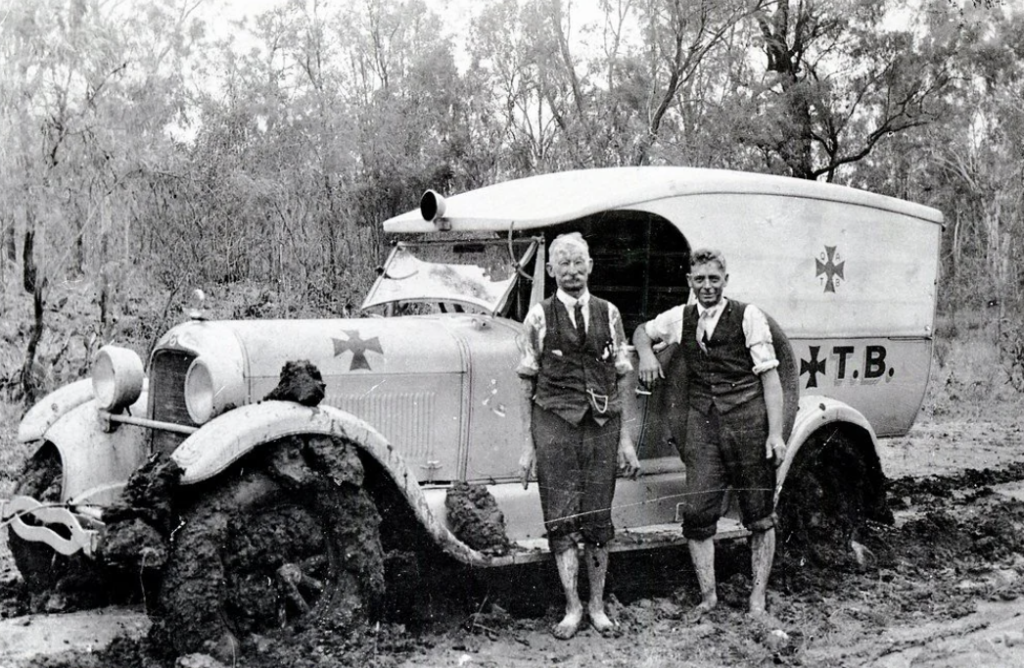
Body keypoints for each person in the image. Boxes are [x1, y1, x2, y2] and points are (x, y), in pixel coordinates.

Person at [633, 248, 785, 620]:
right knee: (699, 513)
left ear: (725, 281)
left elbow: (771, 379)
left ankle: (757, 597)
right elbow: (640, 332)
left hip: (747, 424)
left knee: (758, 514)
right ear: (690, 282)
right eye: (699, 280)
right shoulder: (680, 317)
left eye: (713, 279)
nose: (706, 286)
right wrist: (648, 355)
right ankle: (709, 596)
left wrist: (775, 434)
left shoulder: (749, 316)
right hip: (703, 426)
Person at [517, 232, 641, 640]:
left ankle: (598, 607)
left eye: (578, 262)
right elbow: (526, 382)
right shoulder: (538, 316)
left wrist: (624, 440)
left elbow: (623, 376)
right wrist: (527, 445)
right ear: (550, 270)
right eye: (563, 264)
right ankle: (572, 607)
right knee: (561, 516)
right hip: (553, 424)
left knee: (598, 517)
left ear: (591, 266)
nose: (572, 271)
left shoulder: (609, 313)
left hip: (601, 427)